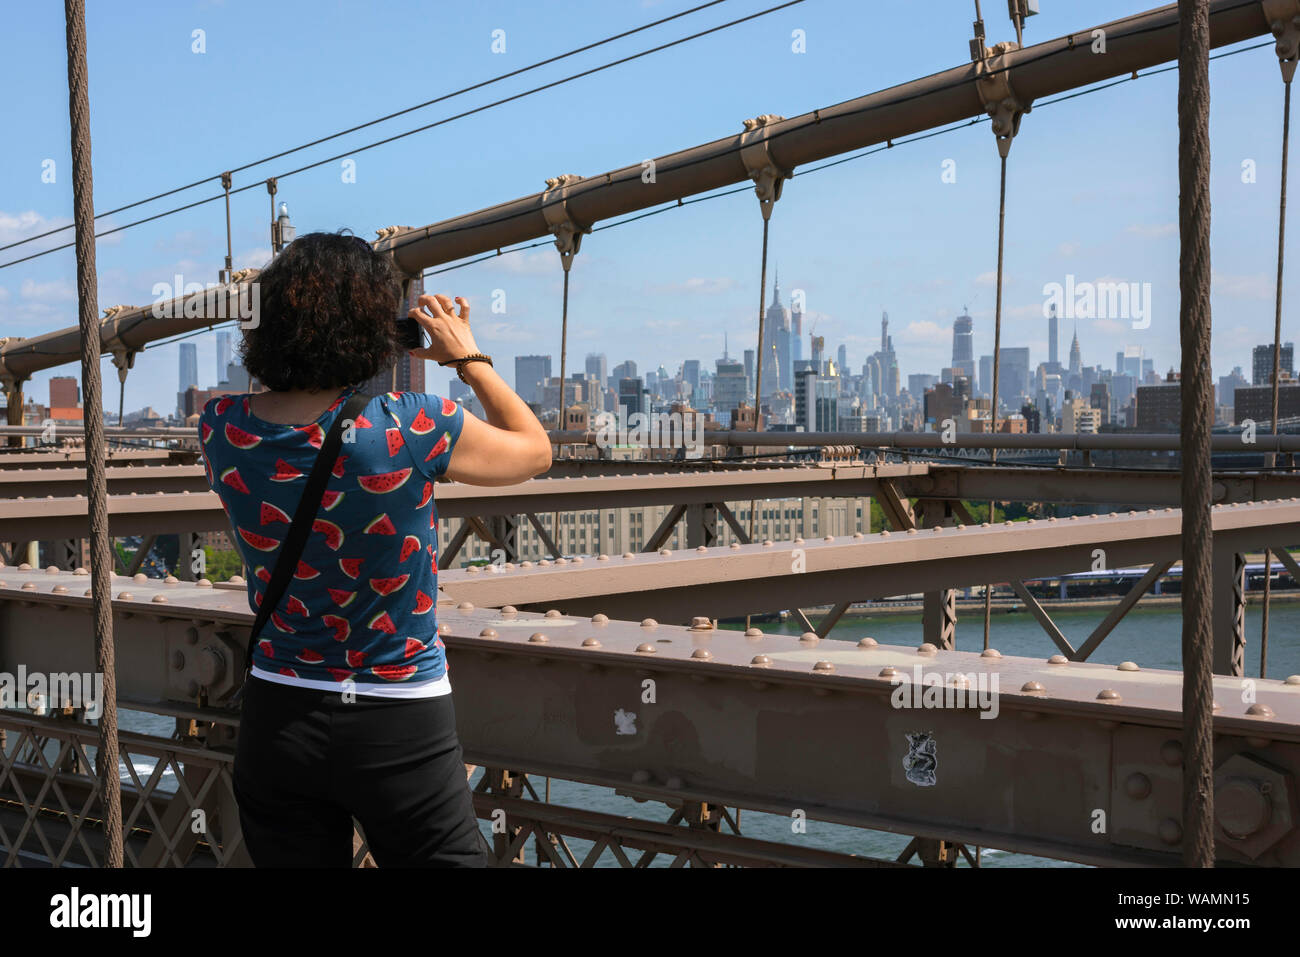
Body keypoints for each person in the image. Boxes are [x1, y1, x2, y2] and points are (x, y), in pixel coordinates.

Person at [198, 231, 551, 867]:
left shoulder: (222, 425)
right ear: (375, 329)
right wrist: (468, 358)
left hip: (277, 711)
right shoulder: (413, 424)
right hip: (398, 715)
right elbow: (534, 450)